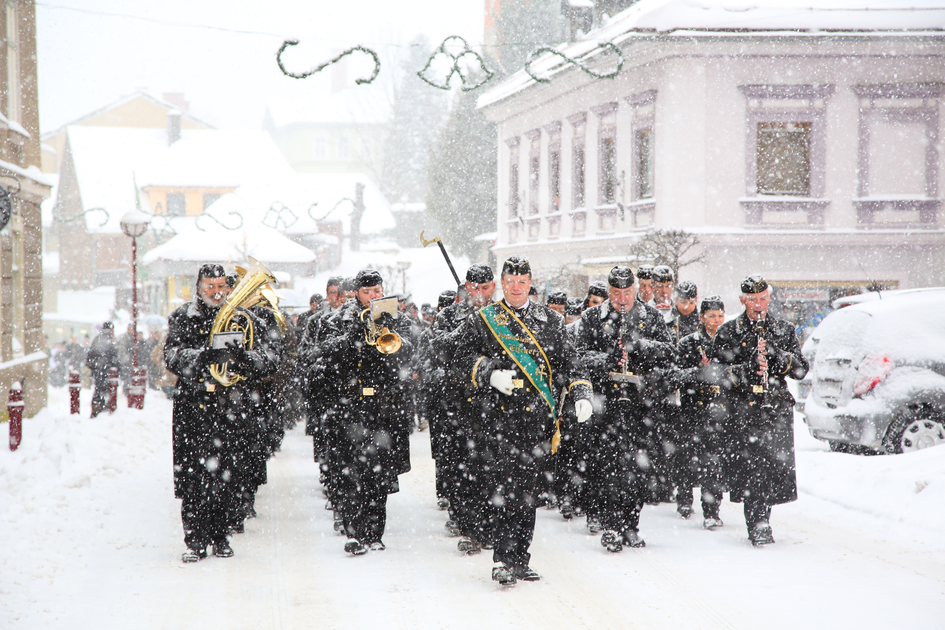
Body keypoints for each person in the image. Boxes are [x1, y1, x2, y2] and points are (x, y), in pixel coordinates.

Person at [452, 255, 593, 586]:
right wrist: (489, 373)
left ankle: (519, 559)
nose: (516, 288)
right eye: (510, 282)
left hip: (538, 421)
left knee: (528, 493)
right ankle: (502, 558)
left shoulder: (552, 321)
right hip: (497, 419)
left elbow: (569, 363)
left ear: (531, 283)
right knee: (506, 489)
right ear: (502, 283)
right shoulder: (485, 320)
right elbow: (461, 361)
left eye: (522, 281)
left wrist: (581, 392)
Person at [165, 263, 282, 563]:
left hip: (230, 407)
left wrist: (244, 360)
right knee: (193, 478)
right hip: (193, 408)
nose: (217, 293)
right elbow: (172, 356)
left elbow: (270, 359)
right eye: (210, 288)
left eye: (221, 288)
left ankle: (221, 537)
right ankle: (195, 541)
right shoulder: (182, 317)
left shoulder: (246, 318)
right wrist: (203, 357)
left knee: (228, 475)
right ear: (198, 289)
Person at [575, 266, 675, 551]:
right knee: (606, 466)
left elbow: (670, 354)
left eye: (627, 293)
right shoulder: (593, 317)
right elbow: (579, 357)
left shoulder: (651, 316)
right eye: (617, 293)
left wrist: (641, 347)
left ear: (636, 291)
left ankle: (631, 524)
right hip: (604, 403)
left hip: (641, 404)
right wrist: (607, 360)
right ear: (609, 292)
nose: (622, 298)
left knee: (637, 466)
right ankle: (609, 524)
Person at [318, 269, 415, 555]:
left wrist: (390, 331)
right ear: (357, 294)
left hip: (384, 407)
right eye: (368, 292)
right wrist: (357, 335)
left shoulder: (397, 316)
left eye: (378, 291)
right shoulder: (340, 319)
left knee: (379, 473)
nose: (374, 296)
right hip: (351, 406)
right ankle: (353, 532)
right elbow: (326, 352)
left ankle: (374, 533)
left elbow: (409, 350)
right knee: (350, 472)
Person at [714, 275, 809, 546]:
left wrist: (779, 358)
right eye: (752, 300)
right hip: (744, 410)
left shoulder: (782, 329)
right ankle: (758, 523)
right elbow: (716, 373)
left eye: (763, 299)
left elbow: (801, 370)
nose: (758, 305)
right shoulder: (729, 331)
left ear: (769, 298)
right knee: (751, 467)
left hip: (775, 407)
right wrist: (744, 371)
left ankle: (763, 516)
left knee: (772, 467)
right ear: (743, 301)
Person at [428, 263, 497, 555]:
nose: (479, 294)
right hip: (458, 404)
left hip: (496, 404)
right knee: (462, 468)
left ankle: (492, 526)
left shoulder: (503, 314)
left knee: (493, 470)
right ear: (466, 288)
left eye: (484, 288)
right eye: (474, 288)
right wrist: (467, 327)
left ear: (493, 287)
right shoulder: (448, 317)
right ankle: (468, 527)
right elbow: (438, 350)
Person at [669, 295, 727, 526]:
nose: (717, 320)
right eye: (712, 316)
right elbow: (675, 376)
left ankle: (712, 511)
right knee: (688, 457)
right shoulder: (688, 343)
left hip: (720, 411)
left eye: (721, 315)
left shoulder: (729, 341)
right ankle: (684, 498)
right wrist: (700, 374)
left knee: (714, 462)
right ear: (702, 318)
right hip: (692, 410)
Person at [85, 321, 119, 418]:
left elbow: (90, 356)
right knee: (105, 391)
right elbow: (114, 357)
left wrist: (94, 368)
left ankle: (97, 409)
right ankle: (103, 410)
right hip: (106, 370)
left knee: (98, 390)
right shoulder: (109, 340)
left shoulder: (97, 339)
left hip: (98, 370)